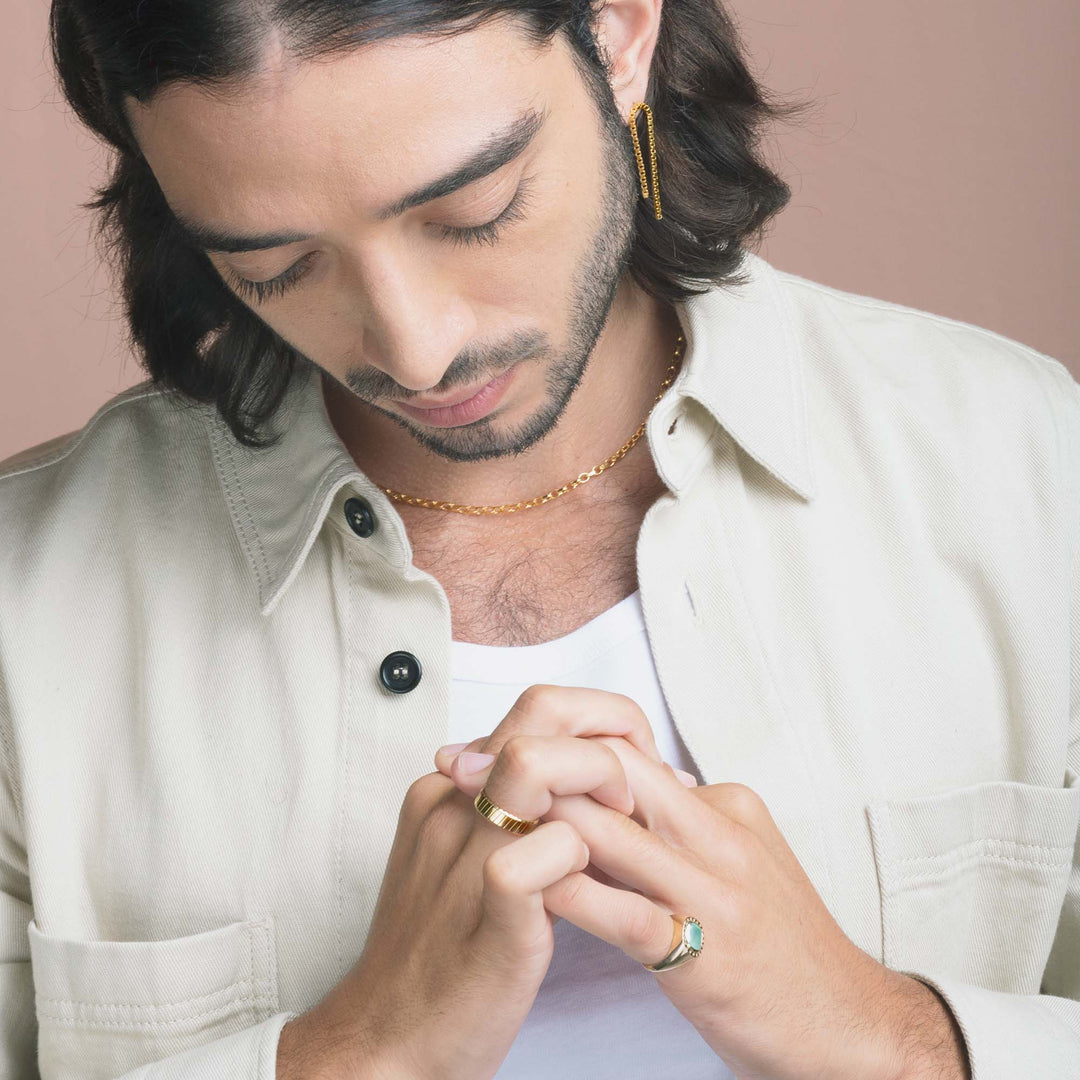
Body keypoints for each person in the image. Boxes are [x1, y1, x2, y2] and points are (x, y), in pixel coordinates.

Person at [1, 0, 1076, 1076]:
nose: (417, 350)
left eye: (474, 208)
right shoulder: (28, 607)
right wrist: (352, 1059)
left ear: (618, 33)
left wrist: (896, 1042)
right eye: (277, 266)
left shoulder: (1024, 466)